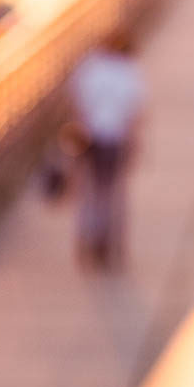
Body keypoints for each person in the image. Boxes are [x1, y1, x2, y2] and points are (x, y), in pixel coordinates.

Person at [67, 30, 146, 269]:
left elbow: (76, 106)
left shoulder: (90, 68)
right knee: (113, 194)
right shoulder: (129, 72)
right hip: (116, 140)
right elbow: (135, 114)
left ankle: (86, 240)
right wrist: (135, 144)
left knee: (88, 192)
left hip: (90, 139)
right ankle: (109, 246)